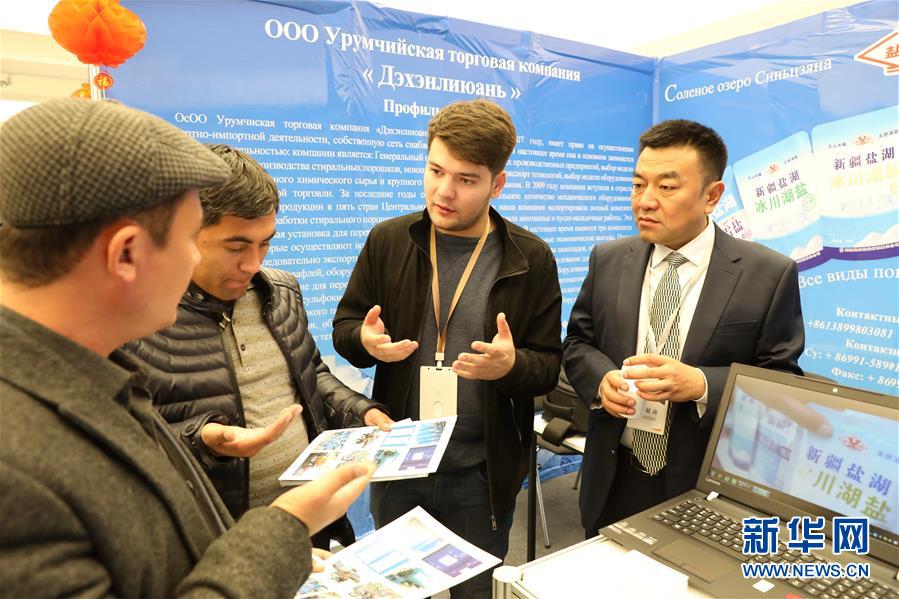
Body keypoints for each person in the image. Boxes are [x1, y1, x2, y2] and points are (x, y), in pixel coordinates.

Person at [0, 98, 373, 597]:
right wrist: (280, 530)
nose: (250, 265)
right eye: (186, 241)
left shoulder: (89, 372)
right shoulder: (16, 461)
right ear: (126, 253)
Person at [332, 99, 562, 597]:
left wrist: (510, 366)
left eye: (466, 179)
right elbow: (345, 328)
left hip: (480, 473)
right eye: (435, 170)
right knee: (392, 591)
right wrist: (365, 342)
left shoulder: (531, 258)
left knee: (475, 593)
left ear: (497, 184)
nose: (444, 191)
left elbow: (547, 367)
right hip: (399, 465)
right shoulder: (389, 240)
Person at [123, 144, 391, 548]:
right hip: (216, 541)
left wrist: (359, 411)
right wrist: (202, 440)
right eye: (236, 247)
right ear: (187, 232)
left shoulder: (282, 292)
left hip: (305, 526)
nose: (253, 263)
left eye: (264, 244)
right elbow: (126, 443)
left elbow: (310, 375)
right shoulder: (141, 319)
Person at [562, 119, 805, 536]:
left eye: (666, 187)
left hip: (704, 484)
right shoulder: (608, 259)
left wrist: (701, 384)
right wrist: (601, 381)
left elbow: (782, 383)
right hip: (613, 474)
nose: (645, 201)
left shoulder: (767, 274)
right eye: (638, 185)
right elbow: (578, 343)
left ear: (712, 196)